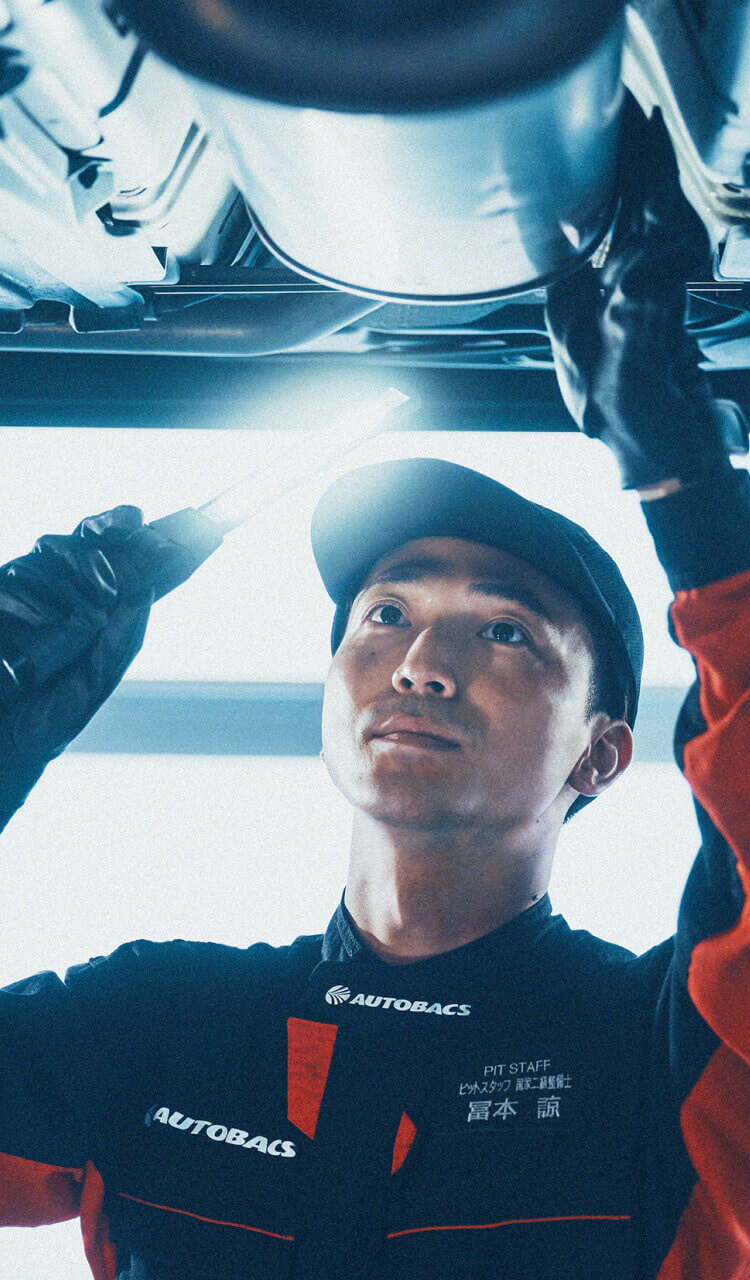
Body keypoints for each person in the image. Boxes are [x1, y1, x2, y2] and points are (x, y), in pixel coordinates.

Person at [0, 104, 748, 1280]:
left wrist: (696, 498)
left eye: (504, 630)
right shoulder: (151, 1021)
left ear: (601, 751)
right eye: (386, 614)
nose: (420, 660)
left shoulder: (662, 1051)